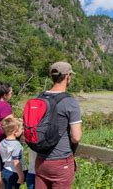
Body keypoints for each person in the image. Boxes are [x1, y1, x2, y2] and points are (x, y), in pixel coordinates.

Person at [35, 61, 82, 189]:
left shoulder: (40, 97)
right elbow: (76, 137)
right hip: (60, 161)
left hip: (40, 160)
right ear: (68, 76)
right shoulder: (70, 102)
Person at [0, 117, 25, 189]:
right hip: (14, 173)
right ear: (15, 131)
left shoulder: (2, 142)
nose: (22, 131)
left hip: (5, 170)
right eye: (21, 129)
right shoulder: (16, 145)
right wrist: (21, 176)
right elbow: (16, 161)